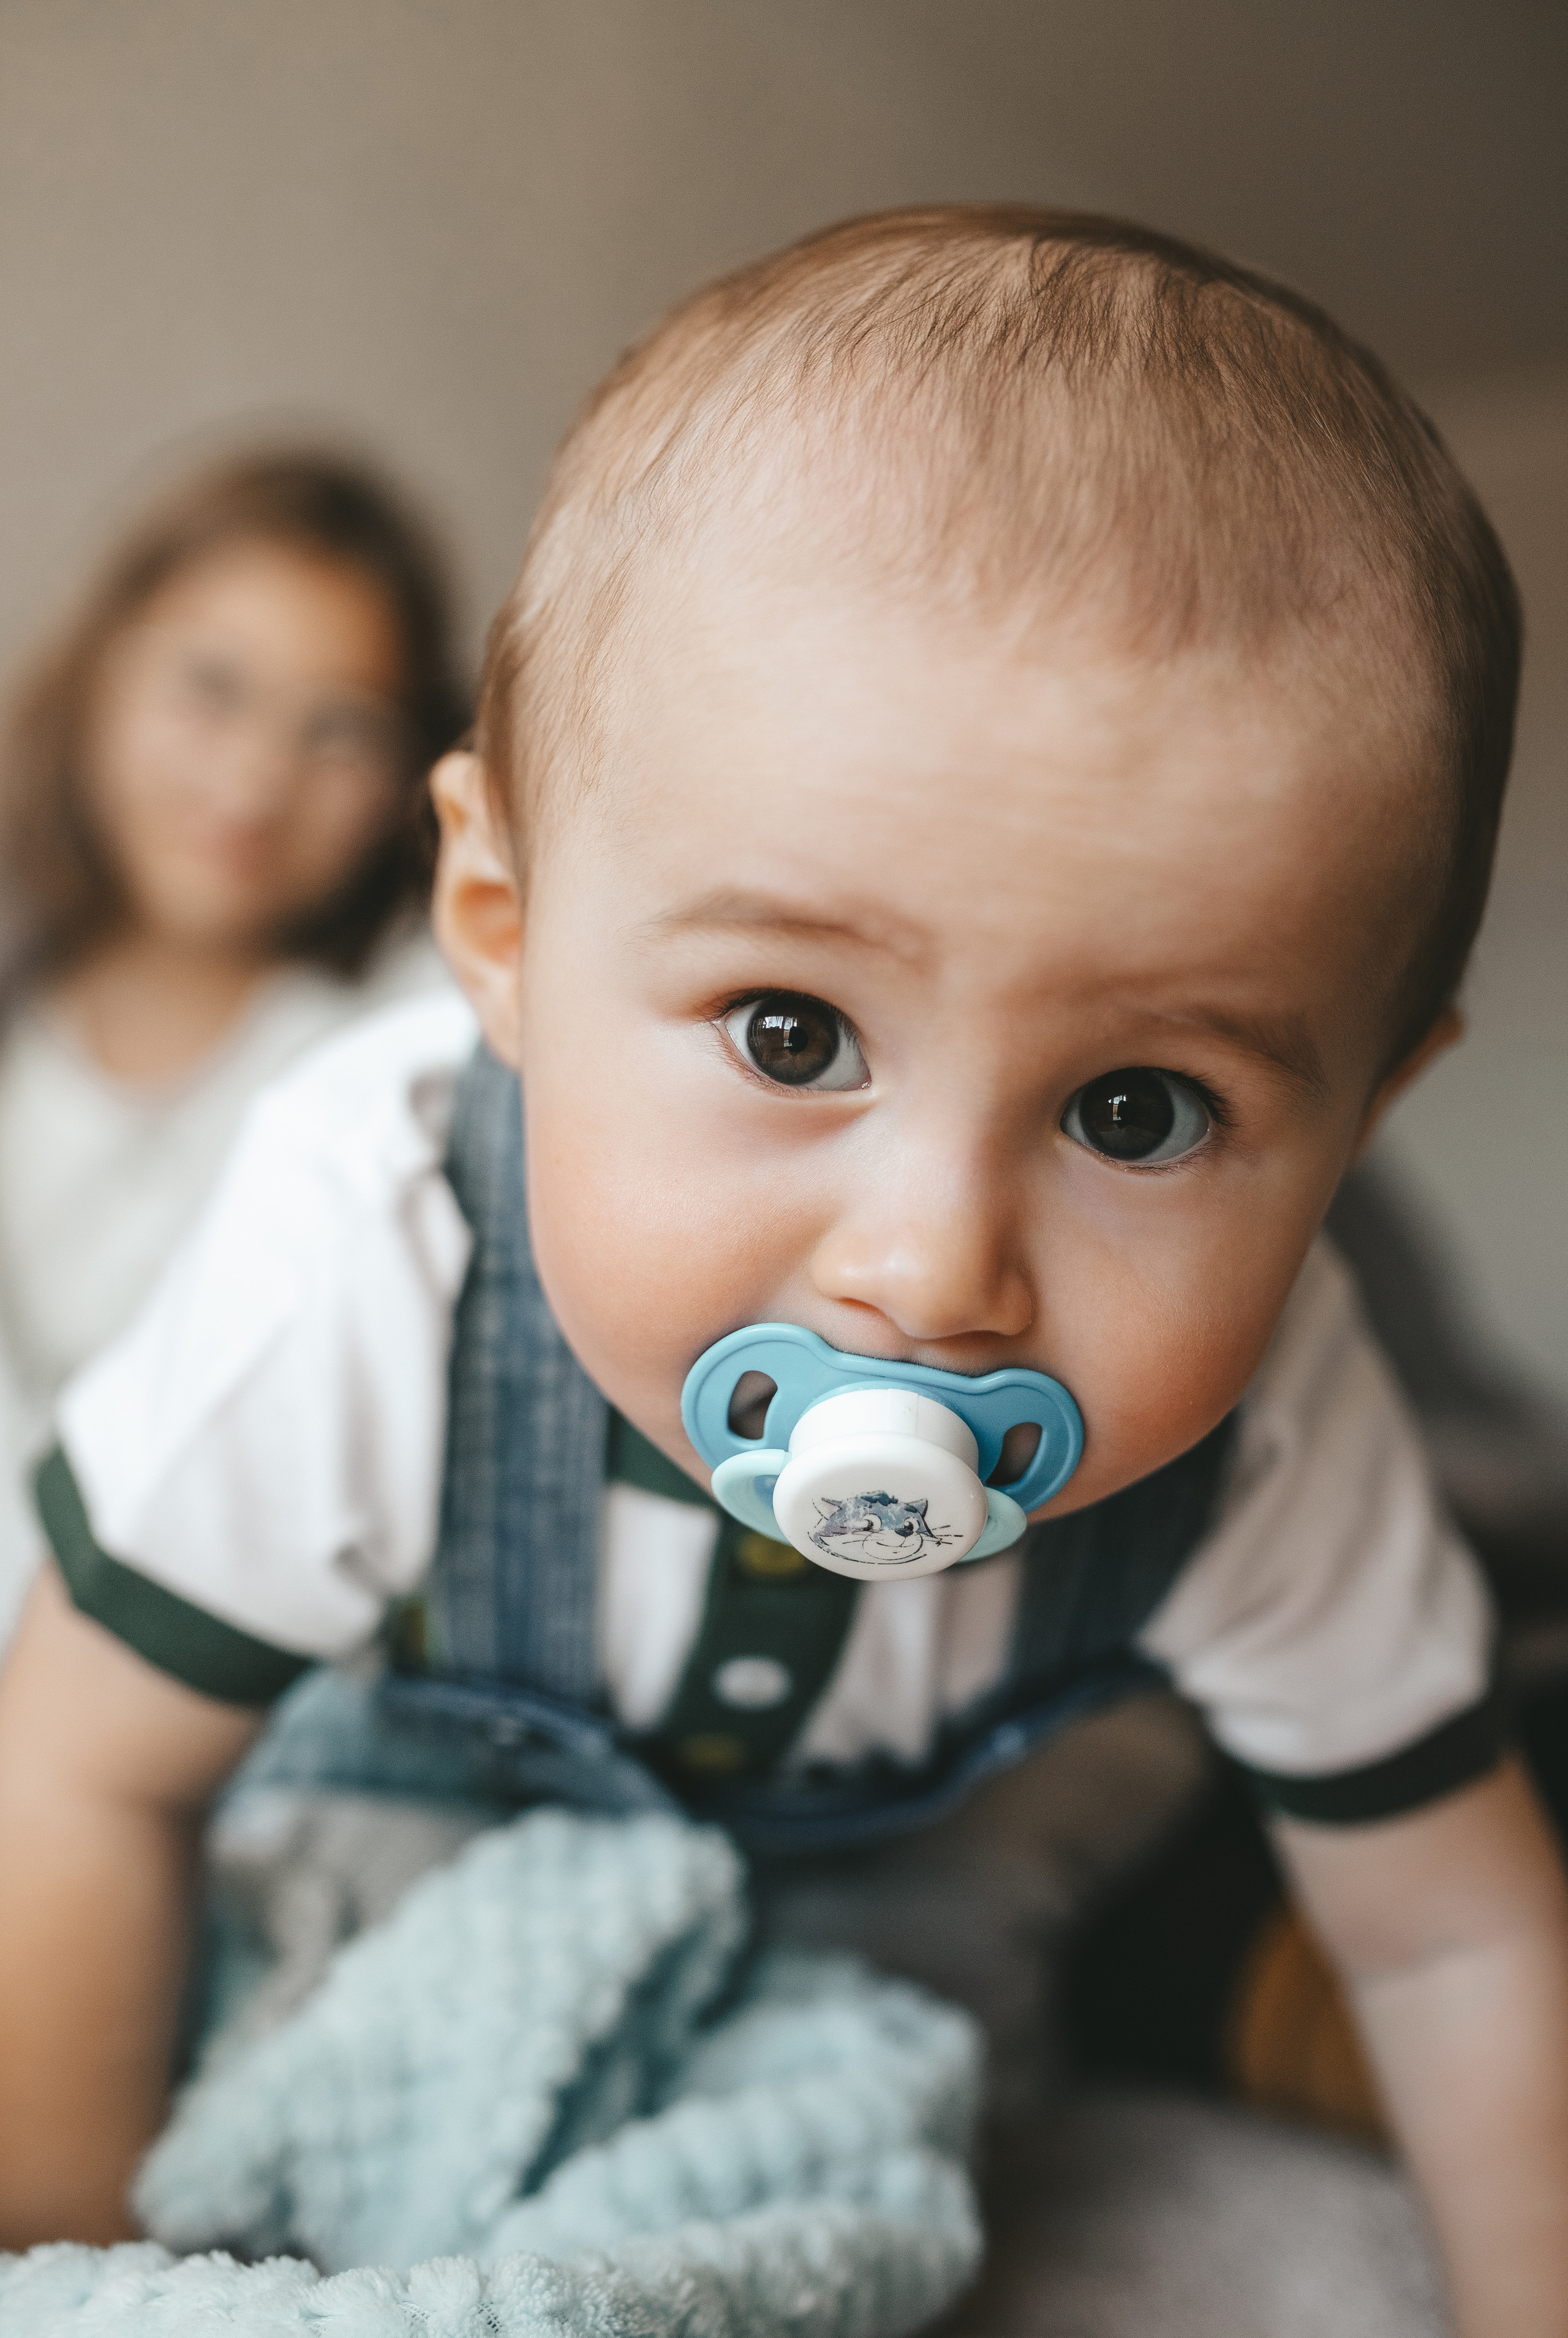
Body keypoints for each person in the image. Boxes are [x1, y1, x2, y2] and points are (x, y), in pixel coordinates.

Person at [0, 208, 1562, 2332]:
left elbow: (1458, 1931)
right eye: (793, 1032)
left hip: (912, 1922)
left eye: (1136, 1110)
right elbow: (85, 1768)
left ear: (1361, 1115)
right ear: (502, 936)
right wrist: (88, 2269)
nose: (929, 1270)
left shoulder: (1281, 1420)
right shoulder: (376, 1239)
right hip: (391, 1852)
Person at [0, 453, 467, 1640]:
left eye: (341, 730)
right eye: (211, 687)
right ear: (101, 666)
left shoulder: (419, 1047)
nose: (256, 779)